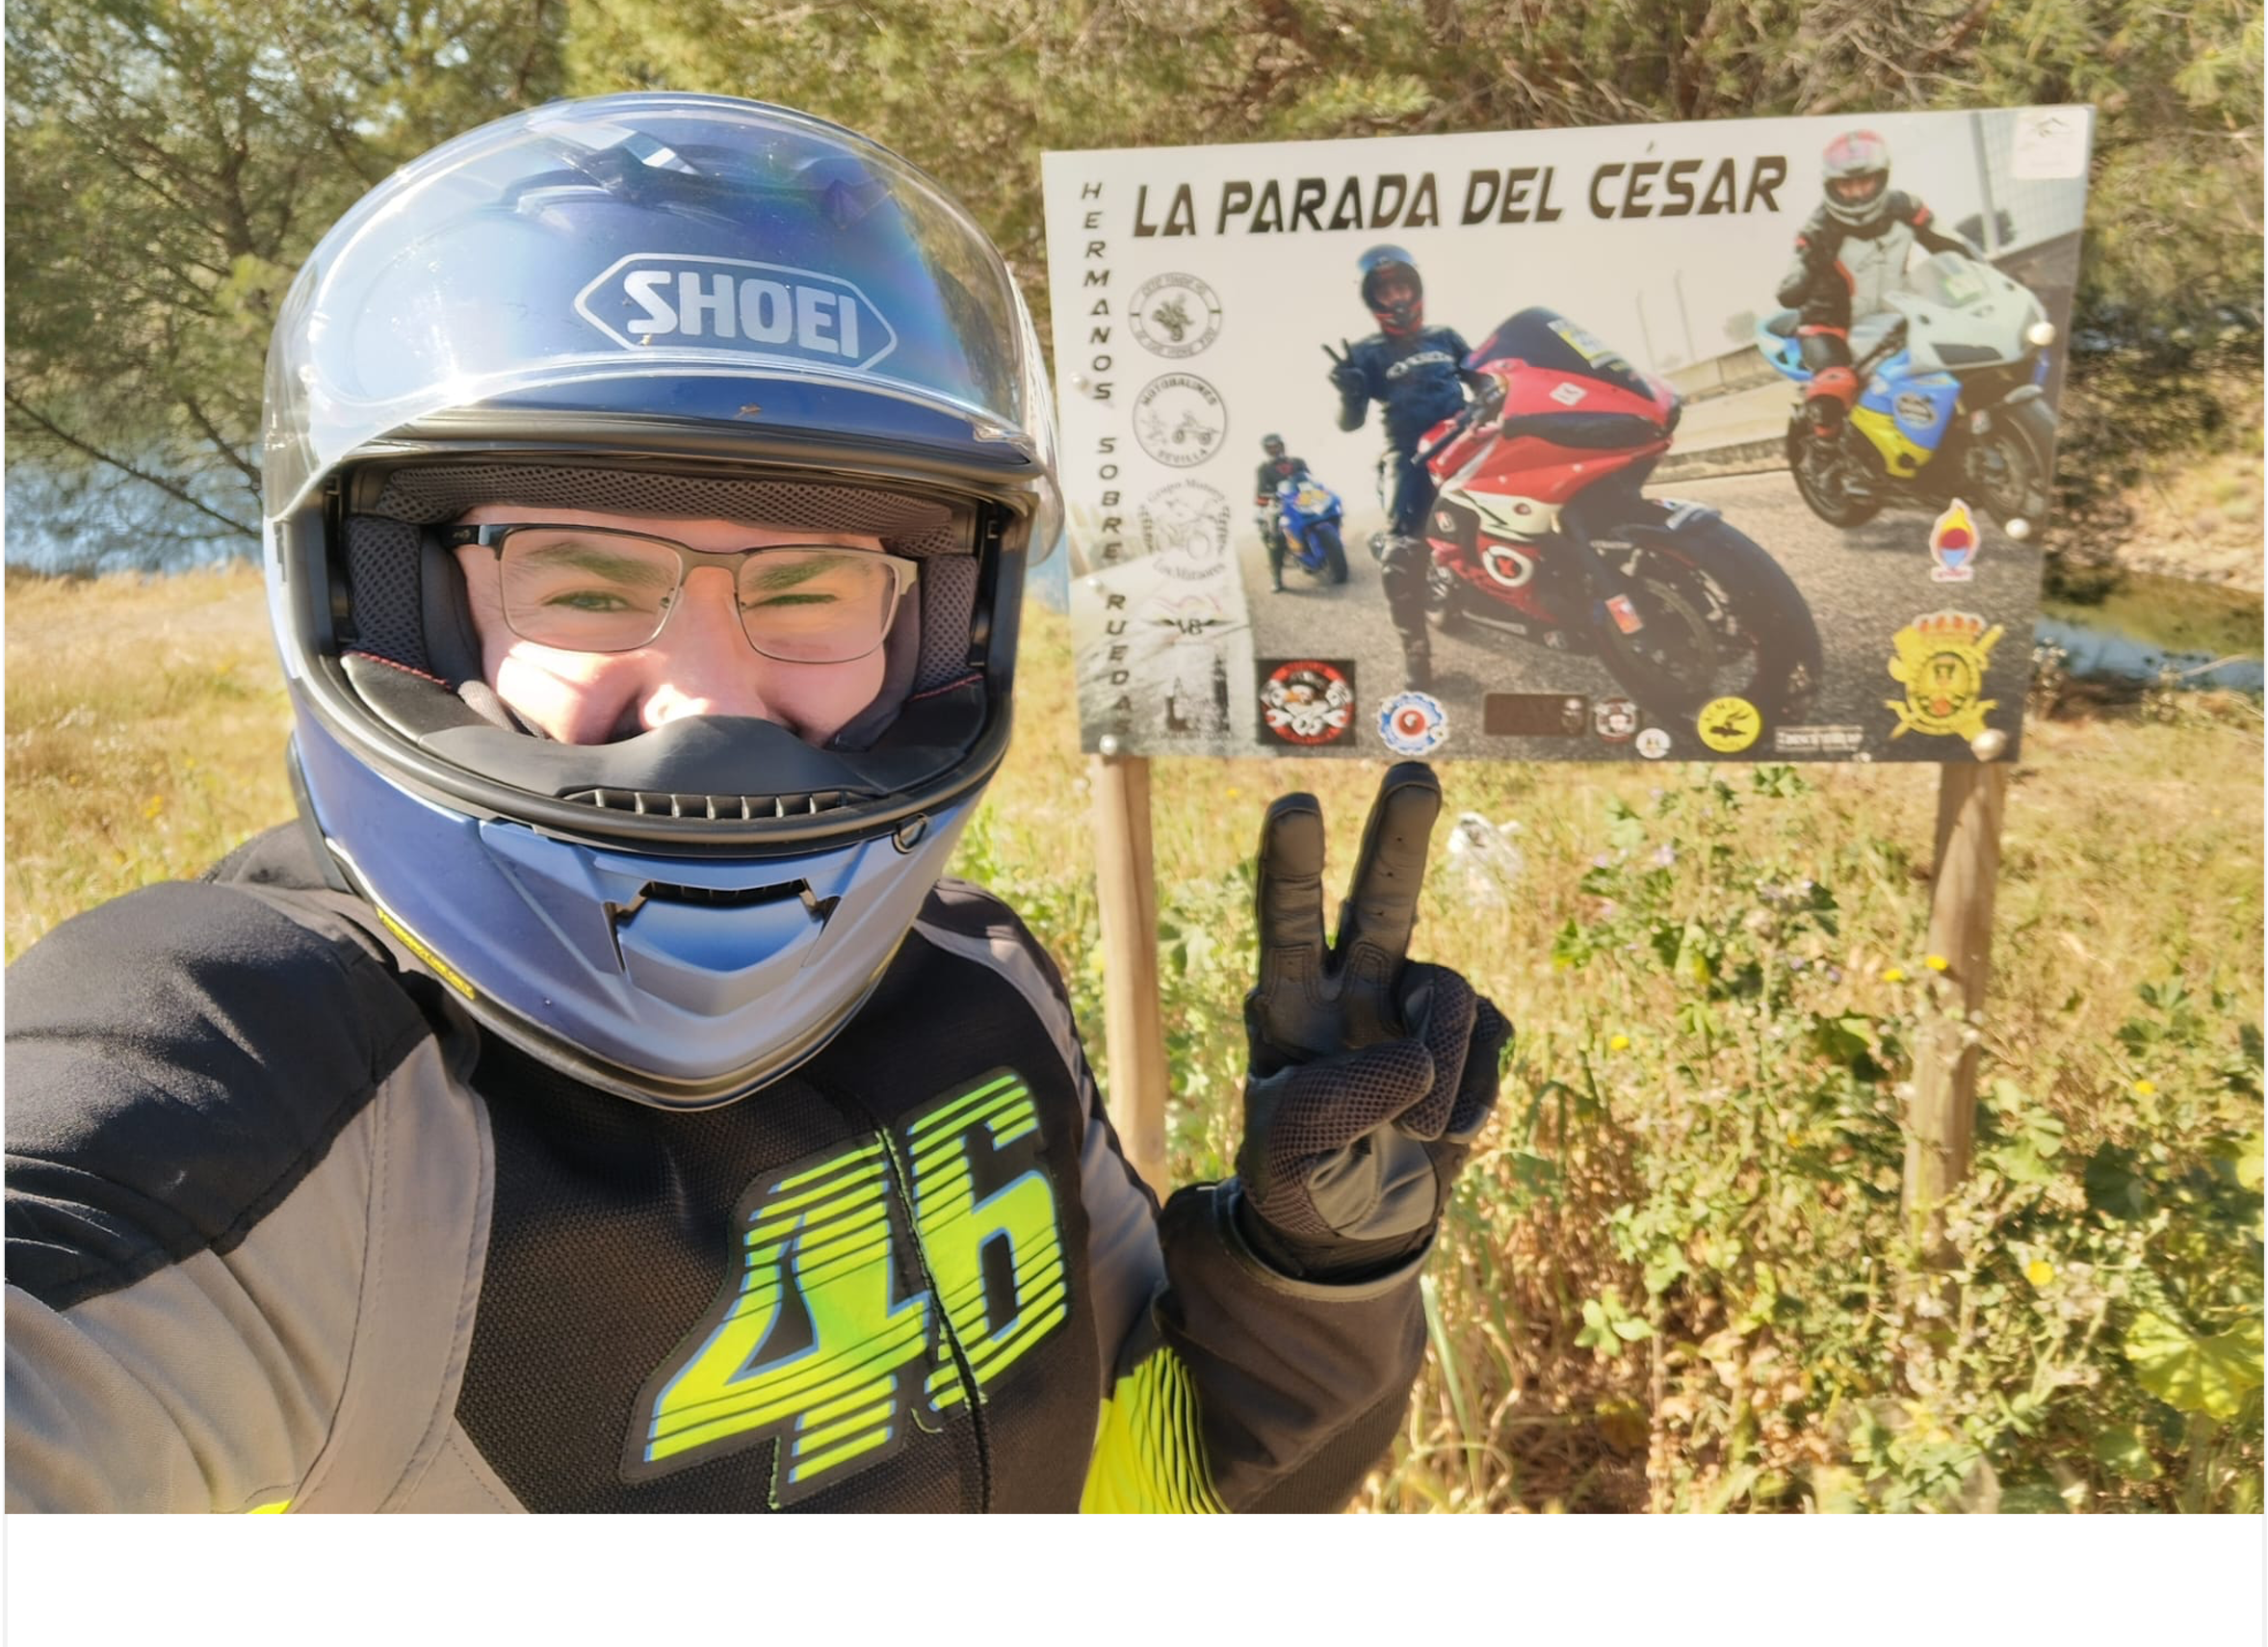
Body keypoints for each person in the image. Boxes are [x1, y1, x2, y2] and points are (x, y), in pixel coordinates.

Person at [4, 93, 1509, 1515]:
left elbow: (1155, 1479)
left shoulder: (982, 987)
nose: (705, 700)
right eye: (584, 583)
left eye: (808, 587)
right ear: (412, 613)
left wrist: (1315, 1277)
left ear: (927, 631)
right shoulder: (265, 1072)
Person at [1324, 245, 1480, 687]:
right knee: (1402, 554)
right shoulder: (1365, 353)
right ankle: (1416, 651)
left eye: (1402, 286)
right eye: (1385, 290)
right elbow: (1350, 423)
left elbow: (1485, 380)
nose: (1396, 297)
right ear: (1372, 300)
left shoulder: (1445, 336)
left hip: (1467, 438)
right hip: (1412, 454)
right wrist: (1349, 393)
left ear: (1416, 287)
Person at [1772, 129, 1974, 437]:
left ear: (1881, 178)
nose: (1857, 192)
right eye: (1847, 184)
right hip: (1830, 325)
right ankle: (1824, 450)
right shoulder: (1818, 229)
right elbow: (1789, 288)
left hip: (1897, 314)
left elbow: (1953, 246)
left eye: (1864, 181)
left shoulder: (1906, 209)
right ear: (1832, 186)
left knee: (1956, 359)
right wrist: (1804, 271)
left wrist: (1981, 271)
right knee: (1835, 386)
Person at [1252, 431, 1312, 591]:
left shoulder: (1298, 462)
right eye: (1270, 448)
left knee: (1328, 508)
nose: (1275, 450)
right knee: (1276, 537)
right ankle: (1277, 579)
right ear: (1266, 450)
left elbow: (1310, 479)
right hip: (1281, 505)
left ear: (1283, 446)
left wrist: (1311, 490)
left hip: (1304, 500)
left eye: (1277, 446)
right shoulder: (1264, 469)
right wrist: (1272, 496)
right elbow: (1260, 493)